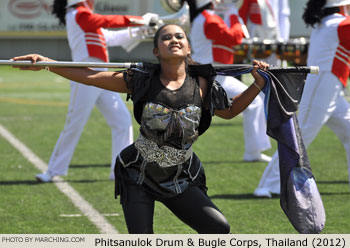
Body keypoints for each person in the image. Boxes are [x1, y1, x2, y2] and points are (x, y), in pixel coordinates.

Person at [11, 24, 269, 233]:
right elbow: (89, 76)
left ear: (188, 47)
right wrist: (45, 62)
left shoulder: (203, 83)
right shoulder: (141, 80)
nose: (174, 40)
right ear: (156, 51)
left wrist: (257, 84)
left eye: (179, 36)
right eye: (166, 38)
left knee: (218, 229)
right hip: (137, 176)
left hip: (181, 177)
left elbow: (230, 111)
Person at [35, 0, 147, 182]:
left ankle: (119, 171)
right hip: (85, 76)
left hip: (101, 75)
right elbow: (106, 22)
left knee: (122, 121)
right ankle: (52, 171)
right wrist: (137, 20)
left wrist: (142, 30)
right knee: (75, 123)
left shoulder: (84, 17)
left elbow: (112, 37)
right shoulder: (77, 14)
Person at [254, 0, 350, 198]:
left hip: (328, 87)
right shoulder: (339, 24)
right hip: (323, 86)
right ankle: (267, 185)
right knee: (300, 137)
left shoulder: (331, 24)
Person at [187, 0, 272, 162]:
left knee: (255, 103)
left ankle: (253, 152)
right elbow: (235, 38)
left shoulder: (205, 17)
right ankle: (253, 152)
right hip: (211, 76)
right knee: (254, 103)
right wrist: (233, 13)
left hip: (214, 74)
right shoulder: (209, 19)